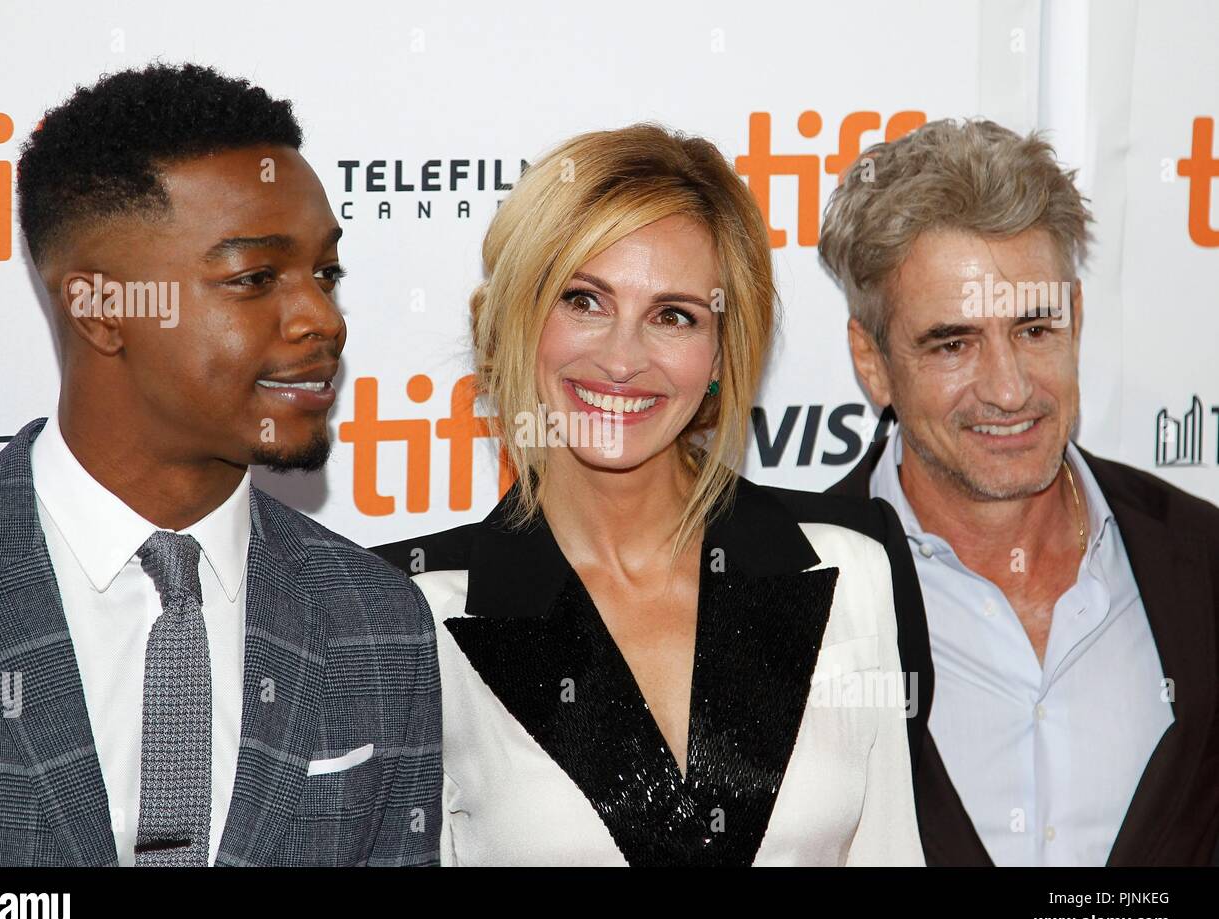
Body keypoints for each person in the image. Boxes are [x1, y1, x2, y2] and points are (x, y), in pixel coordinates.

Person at [0, 63, 441, 866]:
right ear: (100, 310)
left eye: (326, 273)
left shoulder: (376, 622)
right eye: (254, 278)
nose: (320, 319)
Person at [374, 123, 927, 866]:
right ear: (515, 320)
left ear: (721, 357)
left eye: (674, 316)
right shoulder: (409, 610)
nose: (623, 359)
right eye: (583, 300)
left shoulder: (848, 567)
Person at [820, 118, 1219, 865]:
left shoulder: (1203, 563)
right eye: (953, 343)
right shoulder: (783, 586)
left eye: (1035, 331)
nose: (1008, 390)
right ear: (871, 361)